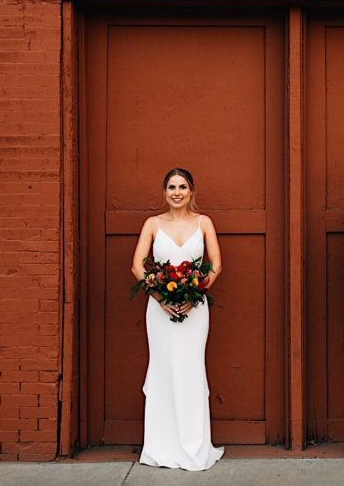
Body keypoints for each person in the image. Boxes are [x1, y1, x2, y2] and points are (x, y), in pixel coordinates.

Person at [131, 168, 224, 471]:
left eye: (182, 187)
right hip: (159, 312)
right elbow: (137, 267)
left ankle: (194, 445)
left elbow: (215, 266)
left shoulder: (204, 223)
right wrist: (161, 299)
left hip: (194, 310)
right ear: (164, 192)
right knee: (162, 369)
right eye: (171, 187)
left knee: (191, 369)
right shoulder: (152, 224)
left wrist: (192, 294)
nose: (177, 192)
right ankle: (160, 444)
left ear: (191, 191)